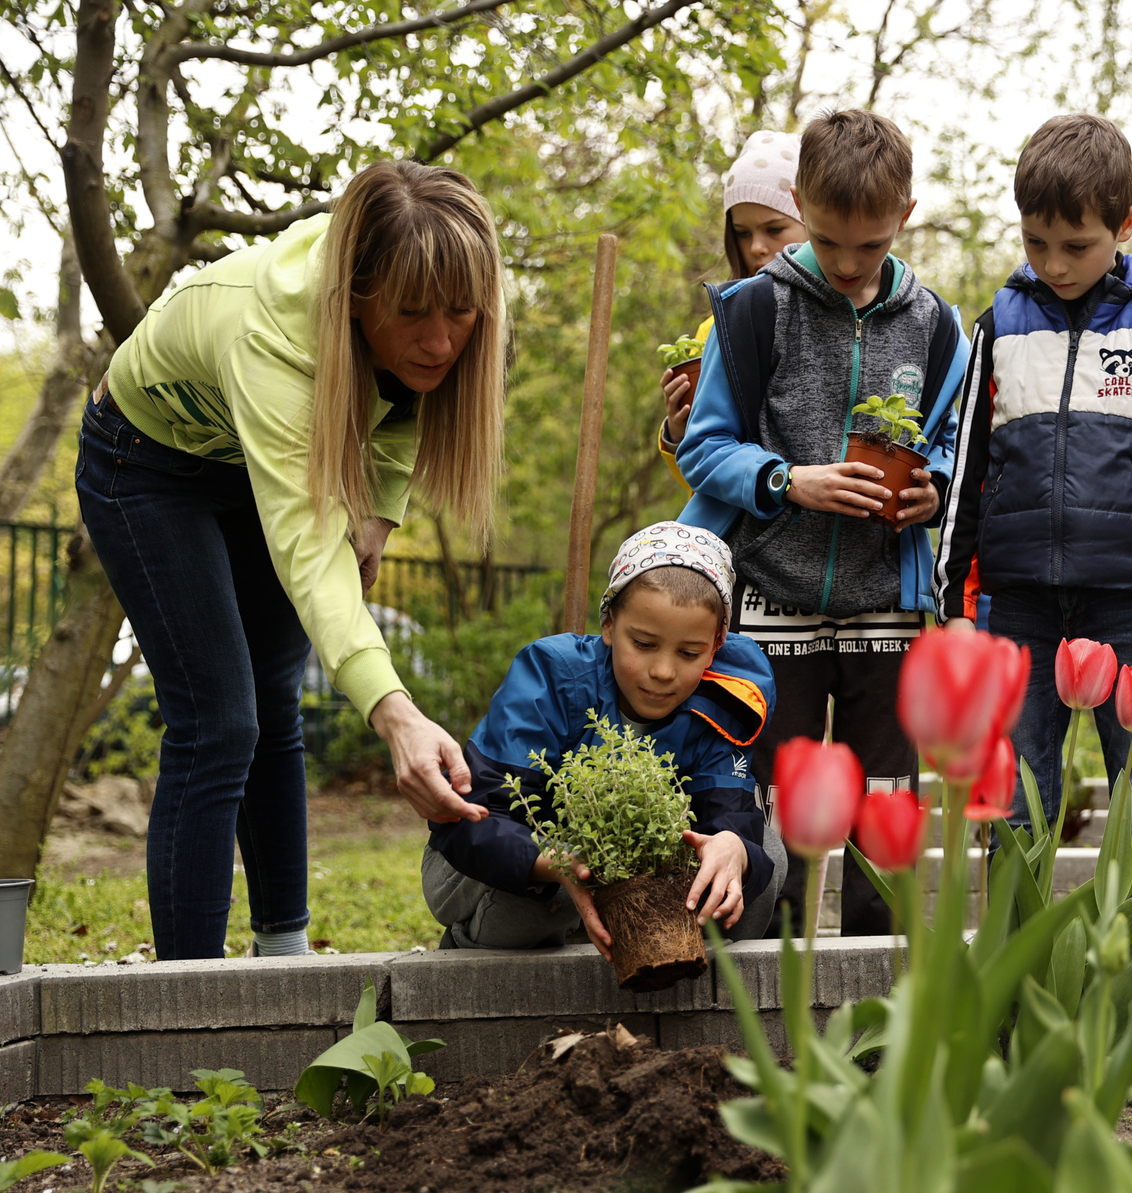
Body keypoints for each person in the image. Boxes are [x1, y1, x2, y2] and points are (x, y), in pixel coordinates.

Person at [75, 160, 504, 961]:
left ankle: (284, 959)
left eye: (460, 312)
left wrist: (379, 506)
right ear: (356, 294)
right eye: (413, 313)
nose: (442, 340)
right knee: (217, 721)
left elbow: (407, 394)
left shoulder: (417, 322)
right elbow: (309, 549)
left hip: (247, 462)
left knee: (274, 707)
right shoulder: (275, 334)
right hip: (146, 463)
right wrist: (396, 710)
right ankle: (186, 999)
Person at [676, 108, 968, 935]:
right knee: (773, 816)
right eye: (829, 240)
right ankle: (772, 994)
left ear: (903, 219)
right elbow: (704, 448)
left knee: (885, 808)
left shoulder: (937, 325)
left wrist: (936, 489)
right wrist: (786, 479)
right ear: (803, 204)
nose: (845, 264)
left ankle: (881, 1002)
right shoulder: (749, 312)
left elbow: (949, 442)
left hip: (888, 606)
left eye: (869, 247)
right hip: (771, 605)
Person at [935, 114, 1132, 863]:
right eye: (1036, 243)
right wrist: (954, 612)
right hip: (1017, 600)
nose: (1055, 264)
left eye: (1077, 246)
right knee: (1014, 806)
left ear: (1125, 223)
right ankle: (1013, 975)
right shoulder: (997, 326)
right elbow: (967, 471)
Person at [422, 523, 782, 950]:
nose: (664, 671)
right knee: (545, 900)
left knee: (762, 855)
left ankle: (684, 987)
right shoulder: (551, 677)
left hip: (620, 871)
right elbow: (470, 819)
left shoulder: (725, 698)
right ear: (609, 624)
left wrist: (731, 846)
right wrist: (558, 865)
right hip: (484, 864)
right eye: (644, 644)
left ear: (717, 644)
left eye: (689, 653)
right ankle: (471, 953)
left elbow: (728, 810)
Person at [658, 131, 809, 478]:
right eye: (743, 232)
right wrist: (679, 435)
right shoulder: (718, 328)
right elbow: (703, 485)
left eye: (774, 229)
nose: (756, 246)